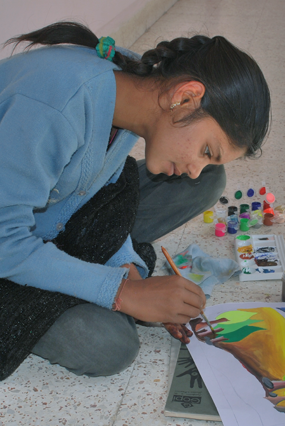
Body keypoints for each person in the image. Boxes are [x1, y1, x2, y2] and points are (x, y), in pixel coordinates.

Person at [0, 22, 270, 380]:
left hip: (55, 209)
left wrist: (125, 266)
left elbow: (101, 195)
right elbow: (6, 241)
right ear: (185, 97)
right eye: (207, 150)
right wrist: (121, 292)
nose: (194, 168)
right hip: (10, 239)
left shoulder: (132, 88)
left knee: (208, 181)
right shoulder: (53, 109)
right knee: (108, 345)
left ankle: (73, 265)